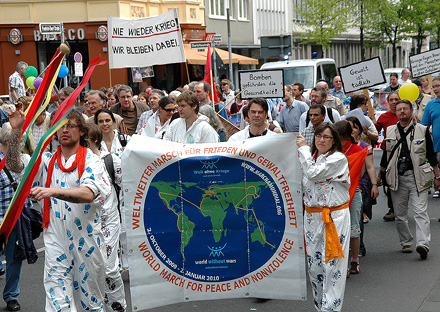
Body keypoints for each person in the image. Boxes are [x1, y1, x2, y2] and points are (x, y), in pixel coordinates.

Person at [7, 109, 111, 311]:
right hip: (55, 240)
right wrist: (16, 130)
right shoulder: (46, 160)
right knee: (57, 303)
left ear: (81, 131)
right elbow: (14, 165)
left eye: (71, 126)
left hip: (87, 242)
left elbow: (88, 193)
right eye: (60, 126)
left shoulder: (92, 160)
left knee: (92, 304)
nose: (65, 130)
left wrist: (52, 191)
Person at [297, 123, 351, 312]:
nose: (321, 140)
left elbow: (313, 174)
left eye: (326, 137)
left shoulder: (337, 159)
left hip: (334, 217)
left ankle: (331, 309)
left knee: (333, 267)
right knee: (315, 267)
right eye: (318, 136)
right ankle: (320, 307)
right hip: (312, 217)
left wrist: (303, 148)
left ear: (334, 140)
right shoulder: (310, 157)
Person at [382, 99, 440, 259]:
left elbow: (430, 154)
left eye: (405, 109)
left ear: (411, 110)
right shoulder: (390, 131)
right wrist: (380, 176)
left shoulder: (421, 130)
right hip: (397, 177)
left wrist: (437, 176)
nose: (402, 112)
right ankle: (406, 241)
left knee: (420, 212)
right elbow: (386, 156)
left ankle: (423, 244)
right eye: (399, 109)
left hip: (418, 178)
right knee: (400, 215)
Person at [86, 124, 127, 311]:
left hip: (109, 220)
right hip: (85, 224)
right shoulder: (74, 163)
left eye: (84, 140)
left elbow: (127, 187)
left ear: (94, 140)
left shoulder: (111, 161)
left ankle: (118, 306)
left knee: (110, 269)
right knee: (91, 270)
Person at [334, 120, 378, 276]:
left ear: (344, 135)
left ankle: (354, 259)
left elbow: (359, 174)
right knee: (339, 230)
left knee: (353, 228)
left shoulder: (357, 149)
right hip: (336, 194)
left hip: (354, 191)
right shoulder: (332, 150)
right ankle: (342, 262)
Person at [0, 123, 35, 311]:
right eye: (20, 139)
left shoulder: (23, 159)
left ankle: (11, 296)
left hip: (17, 217)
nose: (23, 142)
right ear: (8, 140)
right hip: (0, 217)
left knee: (15, 258)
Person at [376, 92, 400, 220]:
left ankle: (401, 207)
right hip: (388, 151)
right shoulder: (384, 117)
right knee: (390, 180)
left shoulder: (405, 115)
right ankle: (392, 209)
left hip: (404, 152)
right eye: (391, 99)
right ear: (388, 101)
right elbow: (374, 132)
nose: (394, 102)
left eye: (396, 99)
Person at [421, 75, 440, 198]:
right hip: (438, 147)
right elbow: (423, 127)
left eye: (438, 85)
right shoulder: (431, 105)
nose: (435, 89)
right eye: (433, 87)